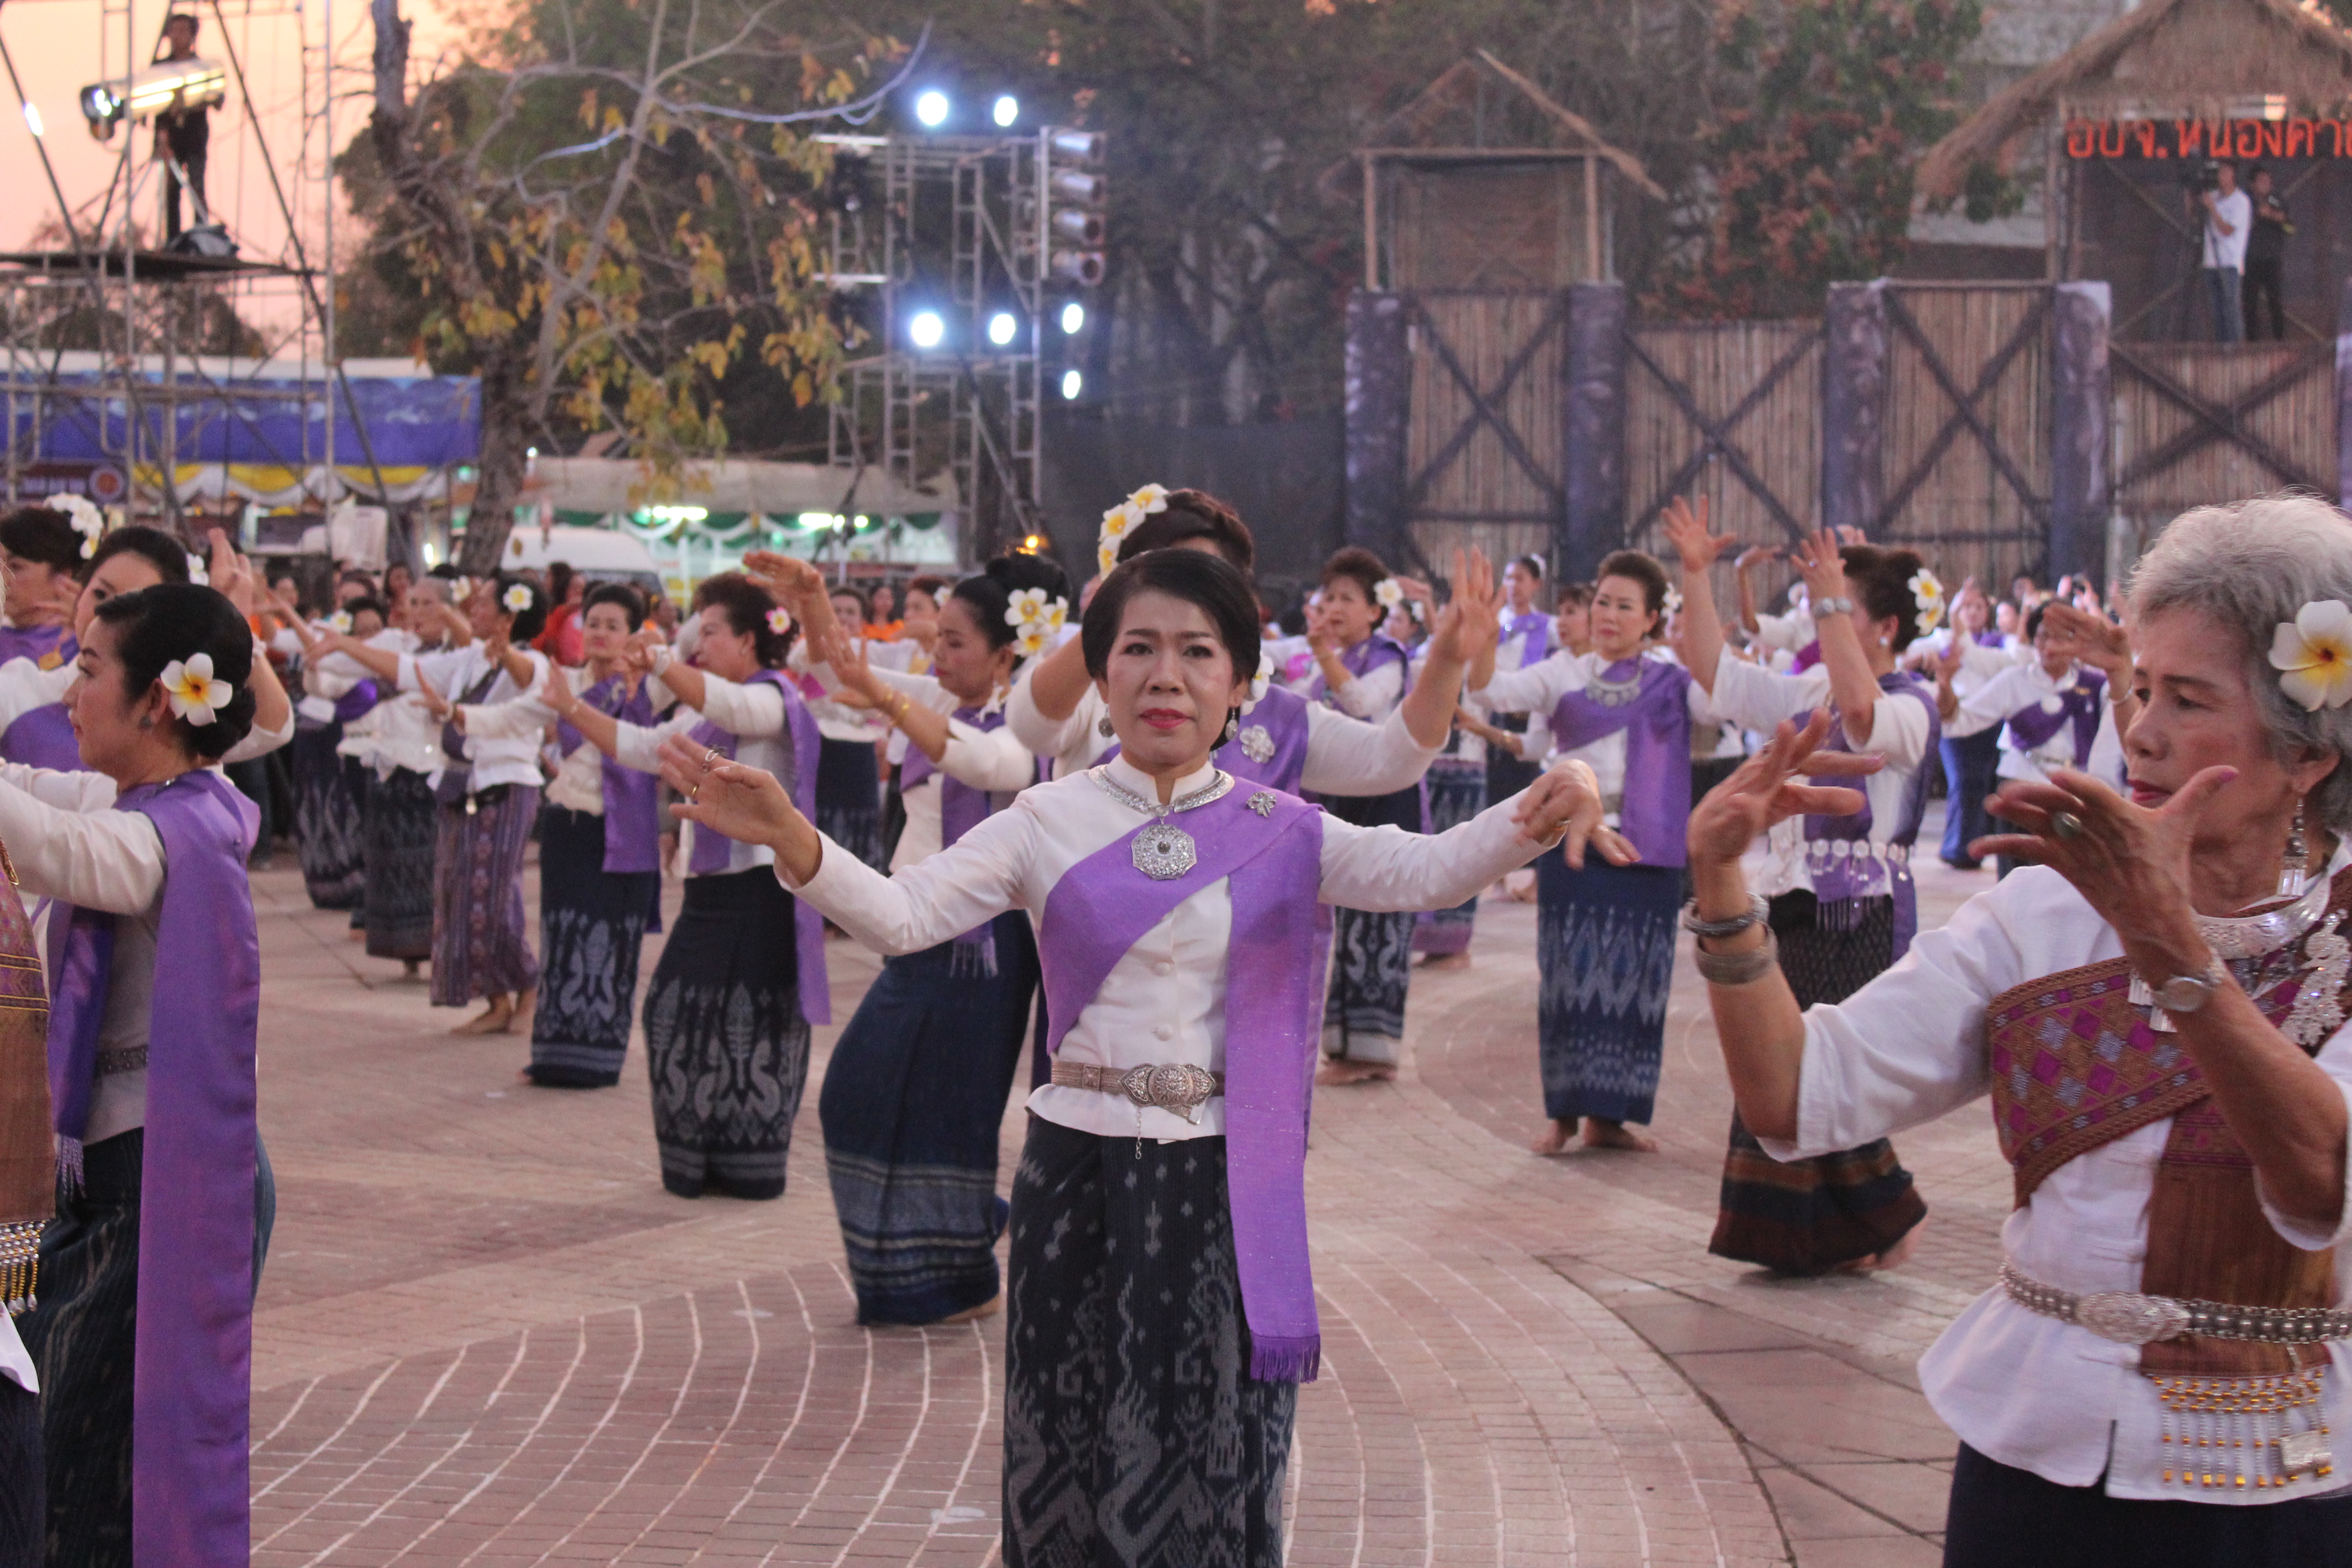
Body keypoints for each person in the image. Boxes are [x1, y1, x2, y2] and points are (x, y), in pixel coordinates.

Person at [663, 545, 1622, 1567]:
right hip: (1074, 1166)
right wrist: (792, 841)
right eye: (1139, 649)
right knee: (1067, 1430)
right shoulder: (1046, 817)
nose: (1167, 675)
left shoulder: (1279, 827)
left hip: (1220, 1175)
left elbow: (1421, 870)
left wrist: (1537, 809)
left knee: (1209, 1437)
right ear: (1104, 672)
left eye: (1198, 653)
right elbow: (905, 917)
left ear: (1239, 685)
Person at [1689, 495, 2352, 1564]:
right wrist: (1722, 887)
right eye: (2141, 689)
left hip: (2283, 1476)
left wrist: (2167, 941)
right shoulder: (2039, 912)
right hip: (2034, 1461)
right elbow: (1794, 1099)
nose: (2138, 729)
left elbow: (2321, 1175)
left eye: (2187, 700)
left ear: (2308, 754)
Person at [12, 583, 262, 1567]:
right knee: (75, 1453)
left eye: (85, 671)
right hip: (115, 1177)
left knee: (83, 1463)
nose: (69, 695)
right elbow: (29, 797)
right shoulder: (149, 807)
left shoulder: (173, 833)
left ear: (159, 699)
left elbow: (54, 847)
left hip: (158, 1189)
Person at [774, 555, 1055, 1325]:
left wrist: (886, 697)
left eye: (955, 643)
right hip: (919, 926)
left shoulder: (1030, 727)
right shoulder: (931, 697)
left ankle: (954, 1278)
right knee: (863, 1098)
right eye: (936, 642)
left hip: (982, 946)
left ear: (1005, 655)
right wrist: (812, 602)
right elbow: (830, 669)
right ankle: (949, 1244)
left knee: (945, 1108)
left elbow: (982, 759)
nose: (938, 658)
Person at [1670, 501, 1938, 1273]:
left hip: (1860, 913)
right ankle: (1844, 1231)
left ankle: (1881, 1219)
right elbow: (1713, 672)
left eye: (1838, 609)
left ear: (1883, 627)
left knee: (1826, 1068)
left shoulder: (1910, 705)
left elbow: (1862, 715)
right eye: (1817, 606)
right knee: (1788, 1068)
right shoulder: (1804, 695)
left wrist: (1824, 595)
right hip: (1789, 904)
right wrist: (1694, 575)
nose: (1819, 621)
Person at [565, 572, 827, 1200]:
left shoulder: (773, 700)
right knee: (677, 1015)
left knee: (754, 1023)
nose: (699, 643)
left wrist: (658, 656)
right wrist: (567, 704)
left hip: (763, 892)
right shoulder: (705, 712)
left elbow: (729, 706)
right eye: (698, 631)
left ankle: (750, 1162)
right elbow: (638, 746)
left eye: (712, 632)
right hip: (711, 895)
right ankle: (700, 1158)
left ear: (749, 642)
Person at [1469, 545, 1715, 1153]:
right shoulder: (1562, 672)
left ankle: (1613, 1117)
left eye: (1624, 606)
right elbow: (1491, 688)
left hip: (1646, 849)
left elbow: (1724, 699)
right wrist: (1477, 635)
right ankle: (1565, 1114)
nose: (1608, 614)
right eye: (1603, 601)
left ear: (1653, 618)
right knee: (1566, 975)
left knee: (1638, 980)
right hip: (1570, 845)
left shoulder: (1674, 682)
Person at [321, 576, 549, 1033]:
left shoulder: (531, 661)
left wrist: (505, 653)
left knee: (496, 895)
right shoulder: (468, 659)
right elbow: (404, 669)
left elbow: (529, 680)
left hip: (505, 786)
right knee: (460, 896)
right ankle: (496, 999)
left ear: (509, 616)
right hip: (460, 786)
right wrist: (345, 645)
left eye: (483, 604)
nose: (472, 609)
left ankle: (528, 987)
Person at [477, 584, 669, 1088]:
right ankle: (553, 1056)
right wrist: (455, 716)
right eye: (594, 624)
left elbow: (683, 651)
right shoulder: (567, 682)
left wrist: (652, 652)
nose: (601, 634)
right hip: (569, 824)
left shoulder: (652, 688)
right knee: (563, 937)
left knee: (612, 943)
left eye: (614, 625)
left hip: (624, 834)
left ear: (633, 634)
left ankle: (600, 1059)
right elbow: (512, 717)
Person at [1306, 546, 1436, 1082]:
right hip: (1346, 802)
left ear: (1376, 612)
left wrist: (1323, 655)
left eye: (1347, 599)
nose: (1334, 607)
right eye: (1329, 596)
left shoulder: (1388, 656)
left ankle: (1372, 1051)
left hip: (1388, 802)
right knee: (1349, 922)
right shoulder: (1332, 661)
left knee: (1379, 923)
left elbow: (1360, 704)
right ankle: (1344, 1046)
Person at [1961, 599, 2127, 877]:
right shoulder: (2014, 680)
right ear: (2033, 639)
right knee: (2015, 874)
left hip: (2070, 790)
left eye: (2062, 637)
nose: (2051, 645)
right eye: (2044, 635)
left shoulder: (2096, 686)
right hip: (2020, 781)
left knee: (2064, 876)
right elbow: (1963, 719)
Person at [339, 575, 453, 975]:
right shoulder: (394, 645)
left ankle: (438, 950)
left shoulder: (460, 653)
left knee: (434, 866)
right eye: (412, 603)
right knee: (391, 864)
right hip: (390, 768)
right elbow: (335, 669)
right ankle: (405, 953)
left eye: (427, 603)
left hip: (435, 771)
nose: (415, 612)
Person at [284, 594, 386, 911]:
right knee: (358, 830)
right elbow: (320, 685)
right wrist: (313, 664)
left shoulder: (395, 661)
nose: (370, 635)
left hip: (390, 758)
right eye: (363, 630)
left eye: (377, 628)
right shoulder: (348, 668)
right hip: (355, 754)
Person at [152, 12, 214, 241]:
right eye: (174, 31)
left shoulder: (202, 67)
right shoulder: (160, 67)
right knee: (171, 191)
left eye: (183, 31)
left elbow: (217, 100)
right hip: (170, 136)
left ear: (192, 36)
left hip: (195, 135)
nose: (178, 37)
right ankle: (173, 240)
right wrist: (162, 140)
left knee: (197, 185)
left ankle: (201, 236)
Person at [2200, 159, 2249, 344]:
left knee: (2231, 308)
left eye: (2224, 172)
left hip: (2229, 262)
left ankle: (2236, 347)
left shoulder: (2241, 201)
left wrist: (2212, 209)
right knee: (2216, 310)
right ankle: (2221, 347)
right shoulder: (2212, 196)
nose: (2220, 176)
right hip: (2210, 261)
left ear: (2232, 175)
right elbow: (2194, 217)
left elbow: (2227, 230)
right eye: (2219, 172)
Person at [2244, 164, 2289, 343]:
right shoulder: (2245, 200)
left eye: (2269, 182)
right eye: (2262, 182)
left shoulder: (2277, 200)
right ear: (2253, 184)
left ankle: (2280, 340)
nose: (2266, 185)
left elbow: (2290, 227)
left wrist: (2273, 215)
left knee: (2275, 302)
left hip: (2272, 259)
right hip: (2250, 259)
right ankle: (2251, 342)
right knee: (2250, 303)